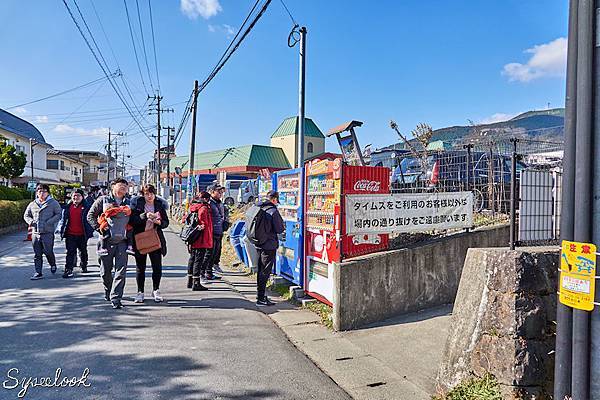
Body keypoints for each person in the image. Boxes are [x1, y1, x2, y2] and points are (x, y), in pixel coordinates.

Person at [87, 178, 132, 309]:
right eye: (121, 185)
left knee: (121, 271)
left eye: (126, 186)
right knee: (105, 271)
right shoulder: (103, 200)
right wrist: (100, 228)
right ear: (113, 187)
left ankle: (116, 297)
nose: (124, 187)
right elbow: (90, 216)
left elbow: (134, 218)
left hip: (122, 242)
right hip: (106, 241)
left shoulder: (129, 202)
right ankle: (108, 288)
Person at [129, 184, 170, 303]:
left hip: (155, 238)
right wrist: (145, 216)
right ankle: (140, 292)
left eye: (152, 193)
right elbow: (132, 220)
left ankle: (156, 290)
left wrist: (158, 222)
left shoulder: (159, 205)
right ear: (143, 194)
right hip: (140, 238)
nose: (150, 196)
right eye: (147, 193)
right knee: (140, 267)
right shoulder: (137, 204)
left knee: (157, 267)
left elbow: (166, 222)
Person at [23, 184, 62, 280]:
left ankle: (52, 264)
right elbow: (26, 215)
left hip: (48, 232)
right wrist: (31, 222)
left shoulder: (53, 203)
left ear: (48, 193)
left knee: (48, 251)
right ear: (37, 193)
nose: (41, 193)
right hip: (35, 233)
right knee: (37, 254)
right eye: (39, 191)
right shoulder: (33, 204)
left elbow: (58, 214)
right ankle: (38, 272)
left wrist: (49, 222)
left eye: (44, 191)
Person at [252, 190, 285, 306]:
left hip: (258, 243)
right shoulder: (273, 211)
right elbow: (280, 229)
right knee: (265, 271)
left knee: (261, 269)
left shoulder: (259, 207)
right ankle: (261, 298)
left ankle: (259, 295)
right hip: (269, 245)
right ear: (274, 199)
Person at [58, 189, 94, 278]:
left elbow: (91, 219)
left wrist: (90, 230)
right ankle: (68, 269)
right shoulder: (67, 207)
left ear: (82, 197)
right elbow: (63, 220)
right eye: (74, 196)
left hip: (82, 234)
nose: (76, 197)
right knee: (70, 252)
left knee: (83, 251)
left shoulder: (87, 207)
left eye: (78, 195)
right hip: (70, 234)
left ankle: (84, 265)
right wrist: (61, 230)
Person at [186, 191, 212, 291]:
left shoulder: (193, 206)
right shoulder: (203, 208)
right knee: (198, 259)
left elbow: (186, 219)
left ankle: (190, 280)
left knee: (192, 258)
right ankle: (196, 283)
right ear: (205, 199)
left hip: (192, 236)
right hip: (201, 237)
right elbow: (204, 223)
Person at [206, 184, 227, 280]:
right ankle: (207, 272)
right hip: (212, 231)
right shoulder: (210, 203)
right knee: (210, 253)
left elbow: (222, 214)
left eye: (221, 192)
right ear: (212, 192)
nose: (220, 194)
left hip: (219, 230)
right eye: (218, 192)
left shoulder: (219, 202)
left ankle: (212, 269)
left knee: (216, 251)